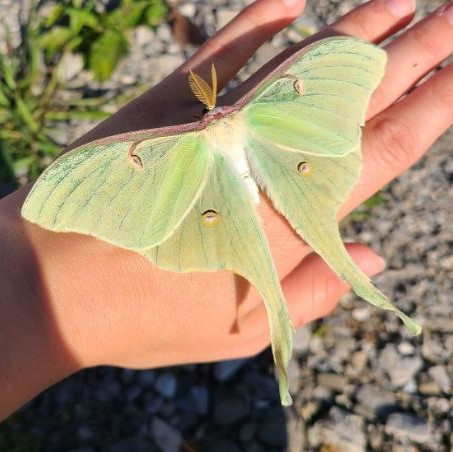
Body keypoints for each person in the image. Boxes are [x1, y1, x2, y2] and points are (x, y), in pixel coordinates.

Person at [1, 0, 452, 421]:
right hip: (259, 171)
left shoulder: (177, 136)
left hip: (237, 185)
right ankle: (381, 319)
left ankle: (366, 320)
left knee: (301, 268)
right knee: (281, 278)